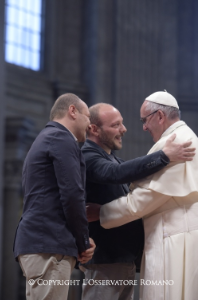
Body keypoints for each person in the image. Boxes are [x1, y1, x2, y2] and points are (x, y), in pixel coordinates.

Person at [80, 101, 195, 300]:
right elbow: (116, 173)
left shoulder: (113, 158)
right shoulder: (87, 155)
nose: (124, 129)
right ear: (94, 129)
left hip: (124, 259)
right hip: (105, 259)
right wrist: (164, 156)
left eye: (121, 123)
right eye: (116, 125)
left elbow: (131, 175)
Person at [13, 93, 96, 300]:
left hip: (42, 243)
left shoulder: (46, 138)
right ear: (72, 111)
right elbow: (72, 194)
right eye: (88, 117)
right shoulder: (61, 137)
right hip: (49, 244)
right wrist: (83, 242)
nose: (90, 125)